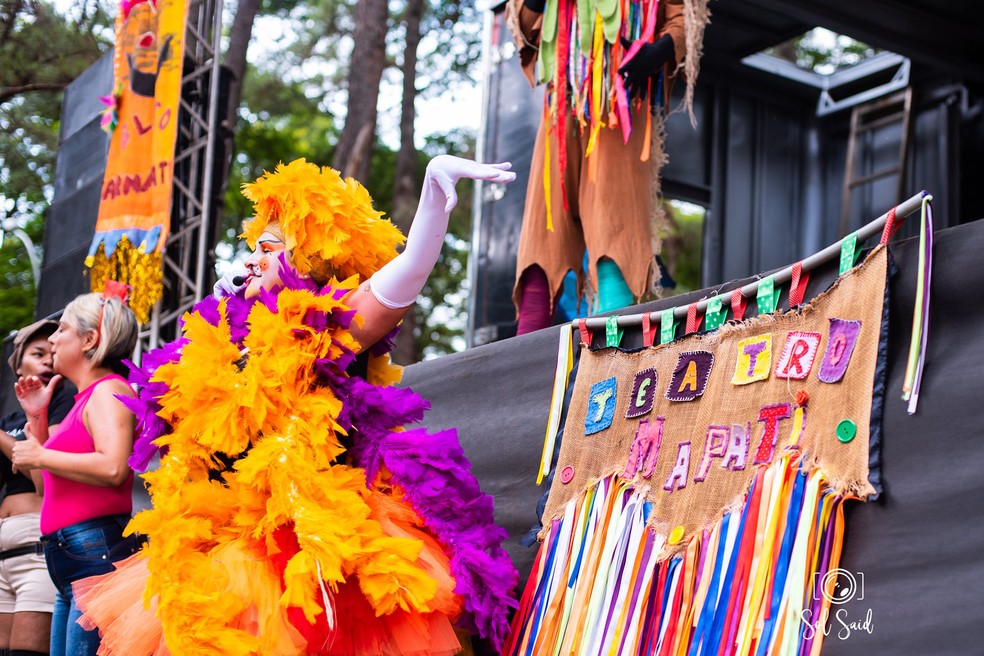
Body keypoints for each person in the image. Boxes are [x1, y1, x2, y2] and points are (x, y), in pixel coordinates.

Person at [73, 156, 520, 656]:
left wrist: (434, 200)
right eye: (252, 248)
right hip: (226, 549)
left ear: (306, 260)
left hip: (317, 551)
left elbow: (408, 272)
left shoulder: (328, 328)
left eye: (268, 247)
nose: (250, 260)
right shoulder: (222, 342)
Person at [506, 0, 710, 333]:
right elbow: (523, 28)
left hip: (623, 106)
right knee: (542, 242)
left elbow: (684, 16)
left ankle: (610, 366)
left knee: (618, 235)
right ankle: (524, 371)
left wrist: (661, 49)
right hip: (561, 105)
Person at [10, 291, 142, 656]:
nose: (52, 338)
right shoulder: (82, 401)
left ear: (89, 339)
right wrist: (37, 418)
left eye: (62, 329)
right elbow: (42, 484)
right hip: (68, 557)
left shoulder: (109, 390)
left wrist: (39, 453)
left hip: (93, 550)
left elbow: (114, 468)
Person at [0, 320, 76, 656]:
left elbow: (44, 483)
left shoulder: (62, 404)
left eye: (52, 353)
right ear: (18, 365)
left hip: (36, 547)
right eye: (37, 353)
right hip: (3, 549)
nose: (46, 361)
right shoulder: (9, 423)